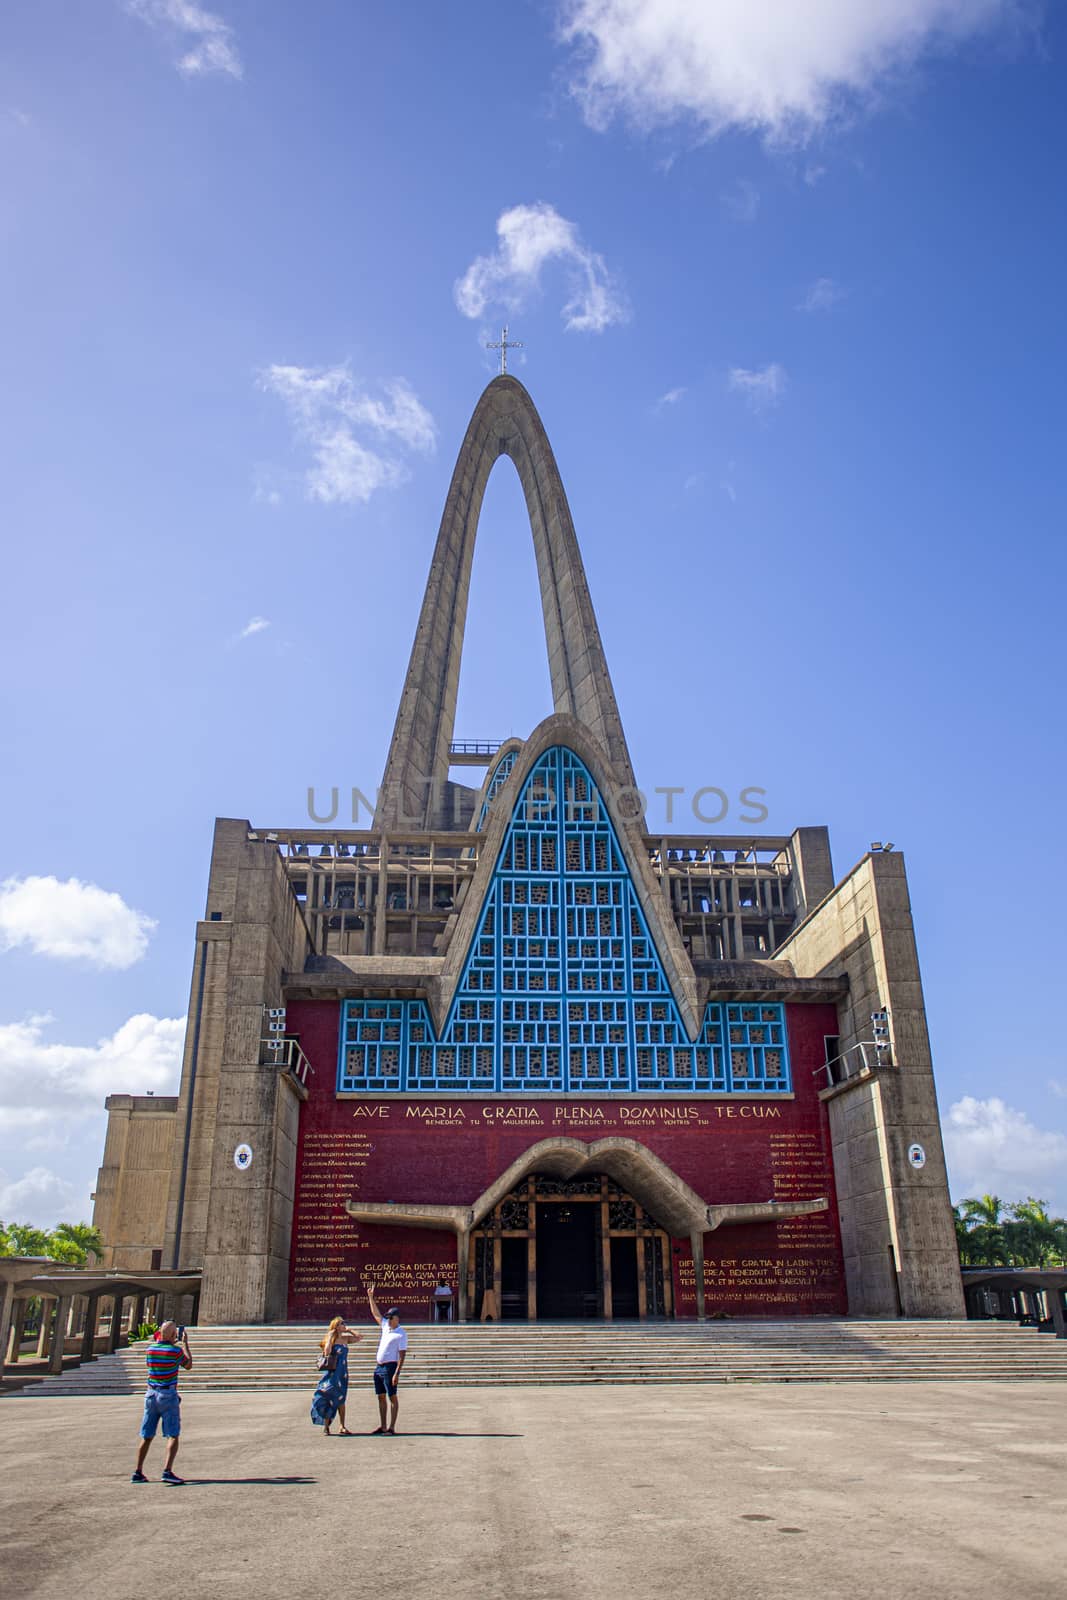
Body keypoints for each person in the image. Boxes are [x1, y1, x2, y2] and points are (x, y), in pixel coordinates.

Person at [131, 1320, 192, 1485]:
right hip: (168, 1394)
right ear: (174, 1335)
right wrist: (185, 1344)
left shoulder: (150, 1350)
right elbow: (188, 1365)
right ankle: (167, 1470)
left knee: (146, 1435)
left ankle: (138, 1471)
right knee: (173, 1434)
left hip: (151, 1394)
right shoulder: (175, 1351)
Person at [310, 1315, 363, 1435]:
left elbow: (359, 1337)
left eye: (344, 1323)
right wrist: (330, 1337)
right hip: (333, 1372)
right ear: (336, 1326)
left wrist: (349, 1330)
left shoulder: (346, 1339)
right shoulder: (331, 1339)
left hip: (343, 1372)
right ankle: (326, 1425)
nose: (344, 1324)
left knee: (341, 1398)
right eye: (341, 1323)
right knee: (328, 1396)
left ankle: (342, 1426)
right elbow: (327, 1352)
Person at [366, 1282, 407, 1435]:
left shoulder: (401, 1333)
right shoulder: (385, 1327)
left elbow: (402, 1354)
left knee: (392, 1396)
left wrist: (397, 1372)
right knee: (381, 1397)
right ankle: (382, 1425)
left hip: (390, 1367)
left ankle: (392, 1426)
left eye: (391, 1318)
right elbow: (376, 1314)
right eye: (388, 1318)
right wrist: (371, 1297)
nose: (388, 1320)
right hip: (379, 1367)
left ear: (397, 1318)